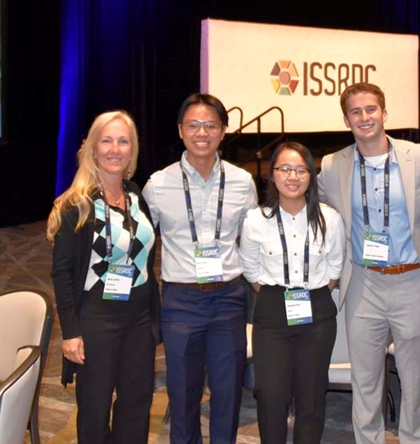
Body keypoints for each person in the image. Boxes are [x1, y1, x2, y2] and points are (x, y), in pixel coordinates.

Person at [318, 82, 420, 443]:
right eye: (355, 112)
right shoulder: (331, 165)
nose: (364, 117)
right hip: (363, 284)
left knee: (416, 381)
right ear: (346, 119)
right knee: (366, 382)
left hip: (413, 283)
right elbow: (325, 222)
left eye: (371, 109)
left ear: (384, 113)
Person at [142, 93, 258, 444]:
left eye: (210, 125)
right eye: (193, 125)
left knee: (227, 393)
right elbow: (143, 244)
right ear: (180, 131)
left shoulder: (242, 182)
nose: (202, 132)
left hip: (228, 300)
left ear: (223, 131)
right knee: (182, 394)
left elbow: (252, 241)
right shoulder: (158, 184)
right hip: (180, 301)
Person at [47, 110, 161, 444]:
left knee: (137, 404)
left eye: (123, 141)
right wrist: (71, 332)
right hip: (97, 316)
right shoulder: (77, 205)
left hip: (139, 315)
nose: (115, 149)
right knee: (95, 409)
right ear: (93, 149)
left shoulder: (135, 195)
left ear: (132, 150)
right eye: (107, 141)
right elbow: (61, 273)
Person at [239, 141, 346, 444]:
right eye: (284, 169)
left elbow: (334, 270)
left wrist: (309, 295)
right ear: (272, 175)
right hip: (272, 311)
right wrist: (278, 294)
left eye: (301, 170)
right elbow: (250, 270)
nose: (293, 176)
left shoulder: (330, 219)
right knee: (271, 394)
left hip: (318, 312)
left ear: (311, 176)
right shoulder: (255, 220)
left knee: (311, 395)